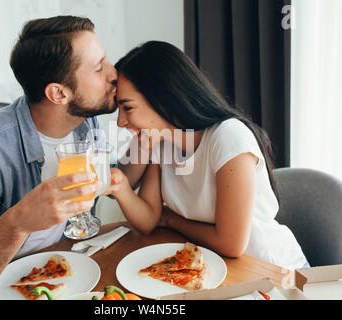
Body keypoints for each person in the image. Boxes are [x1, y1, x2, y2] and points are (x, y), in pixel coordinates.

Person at [0, 15, 119, 299]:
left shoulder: (85, 123)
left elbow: (111, 181)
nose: (114, 73)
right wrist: (18, 222)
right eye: (98, 67)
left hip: (58, 276)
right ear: (58, 93)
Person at [108, 41, 309, 270]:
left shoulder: (228, 138)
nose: (120, 122)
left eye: (128, 108)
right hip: (216, 267)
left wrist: (172, 220)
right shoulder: (161, 142)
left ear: (163, 98)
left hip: (272, 271)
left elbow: (231, 244)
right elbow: (149, 219)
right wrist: (122, 187)